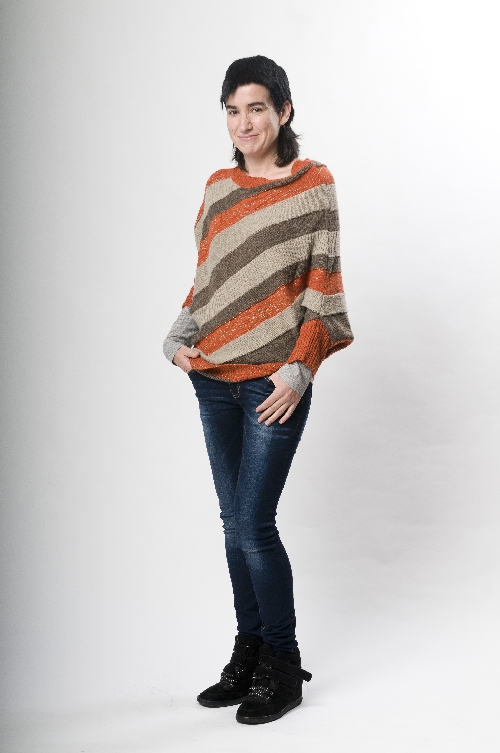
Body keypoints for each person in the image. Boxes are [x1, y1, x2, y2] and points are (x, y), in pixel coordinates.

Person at [163, 55, 353, 725]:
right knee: (232, 524)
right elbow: (209, 277)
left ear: (283, 111)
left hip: (274, 382)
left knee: (253, 525)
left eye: (256, 108)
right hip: (213, 377)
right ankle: (249, 652)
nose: (244, 122)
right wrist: (177, 334)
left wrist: (300, 369)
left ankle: (283, 663)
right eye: (233, 110)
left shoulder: (313, 183)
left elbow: (322, 286)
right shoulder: (219, 186)